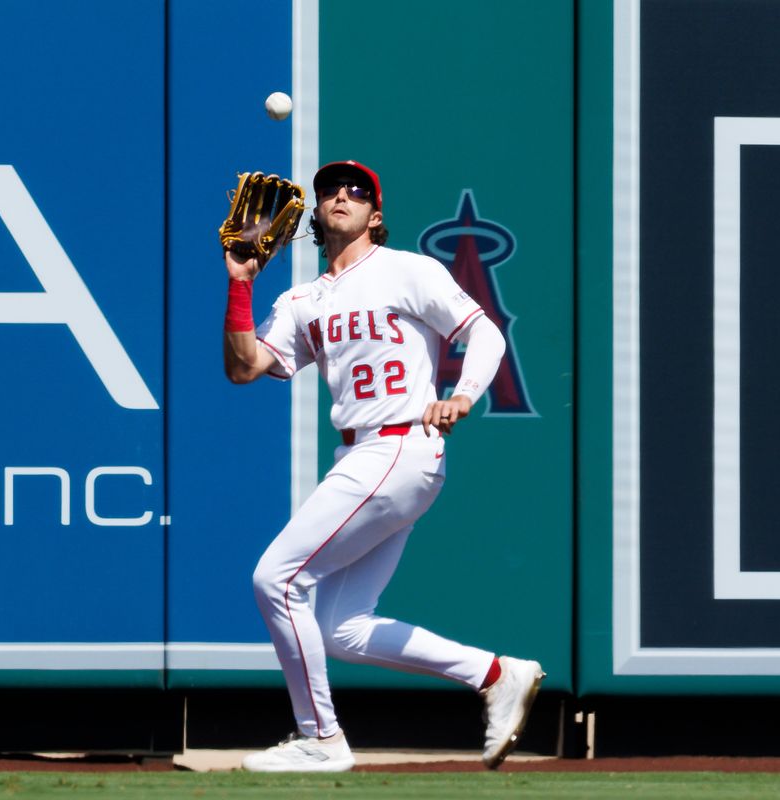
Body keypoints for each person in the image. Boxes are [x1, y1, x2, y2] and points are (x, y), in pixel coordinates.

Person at [221, 160, 544, 772]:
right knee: (342, 629)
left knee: (277, 579)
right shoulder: (302, 298)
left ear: (376, 213)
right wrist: (240, 282)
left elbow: (486, 335)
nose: (341, 195)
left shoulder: (407, 269)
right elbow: (243, 369)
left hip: (399, 443)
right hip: (364, 452)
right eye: (329, 191)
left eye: (357, 191)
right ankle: (498, 674)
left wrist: (464, 394)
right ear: (314, 214)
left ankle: (320, 738)